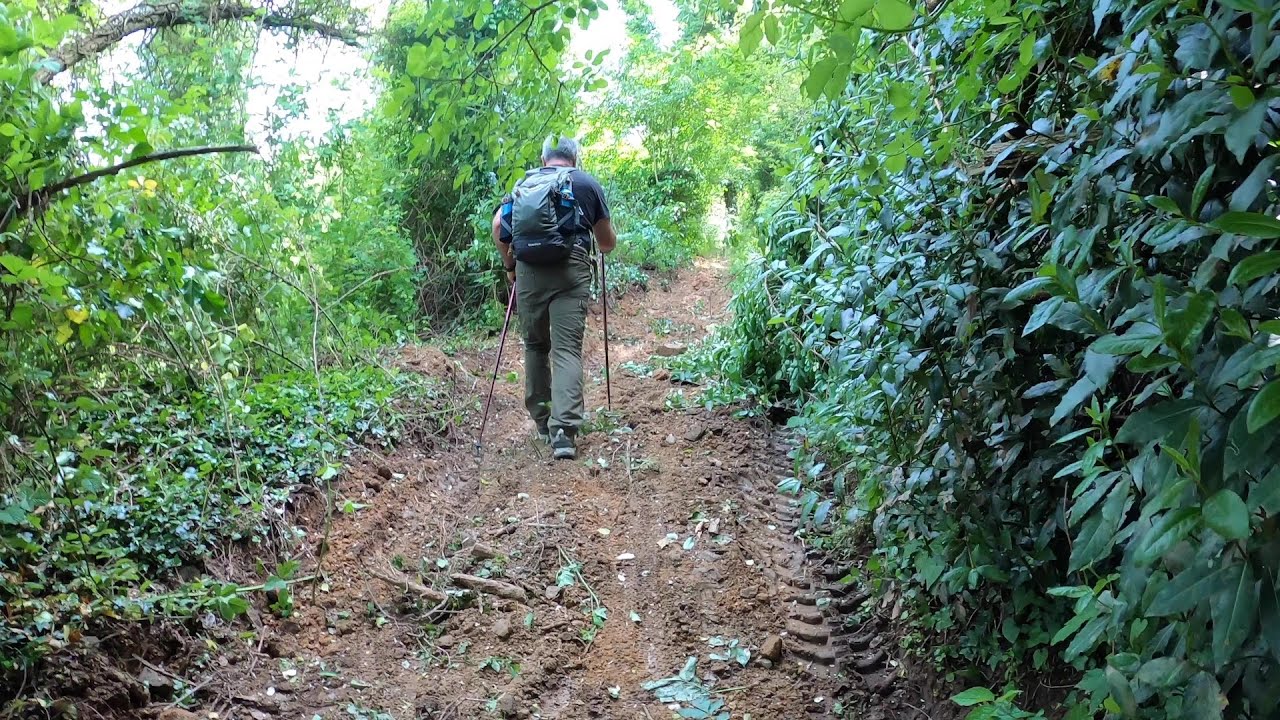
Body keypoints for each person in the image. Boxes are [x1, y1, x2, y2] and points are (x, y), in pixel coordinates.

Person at [492, 136, 617, 460]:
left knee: (535, 346)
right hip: (570, 270)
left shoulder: (525, 183)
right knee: (566, 349)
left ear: (543, 157)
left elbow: (497, 226)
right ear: (575, 157)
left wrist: (510, 268)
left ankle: (543, 423)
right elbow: (606, 243)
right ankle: (564, 433)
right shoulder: (586, 183)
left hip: (529, 270)